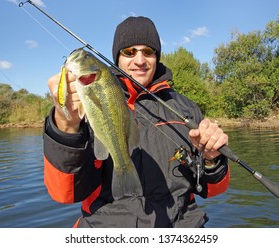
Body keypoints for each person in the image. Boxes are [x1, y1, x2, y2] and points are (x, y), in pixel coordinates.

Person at [43, 16, 230, 228]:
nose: (139, 60)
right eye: (129, 52)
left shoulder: (186, 109)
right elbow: (65, 193)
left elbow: (211, 190)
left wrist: (212, 158)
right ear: (117, 58)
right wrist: (65, 124)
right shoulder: (81, 106)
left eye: (148, 52)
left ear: (157, 57)